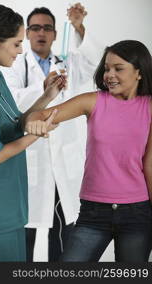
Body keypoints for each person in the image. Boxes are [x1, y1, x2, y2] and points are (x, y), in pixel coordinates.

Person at [25, 40, 152, 262]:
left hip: (137, 213)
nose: (109, 74)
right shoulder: (92, 101)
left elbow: (150, 164)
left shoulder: (149, 107)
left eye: (118, 68)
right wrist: (35, 121)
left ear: (139, 72)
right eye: (107, 68)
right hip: (93, 212)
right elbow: (37, 116)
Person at [1, 3, 101, 262]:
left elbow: (96, 62)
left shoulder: (67, 63)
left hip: (62, 165)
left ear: (56, 34)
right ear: (26, 33)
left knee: (62, 232)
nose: (40, 33)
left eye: (47, 28)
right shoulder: (13, 66)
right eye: (34, 28)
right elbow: (10, 103)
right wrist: (44, 90)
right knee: (26, 234)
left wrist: (79, 26)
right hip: (29, 158)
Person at [0, 4, 66, 262]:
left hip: (9, 205)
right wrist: (39, 133)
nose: (22, 50)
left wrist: (47, 96)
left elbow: (15, 124)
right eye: (16, 43)